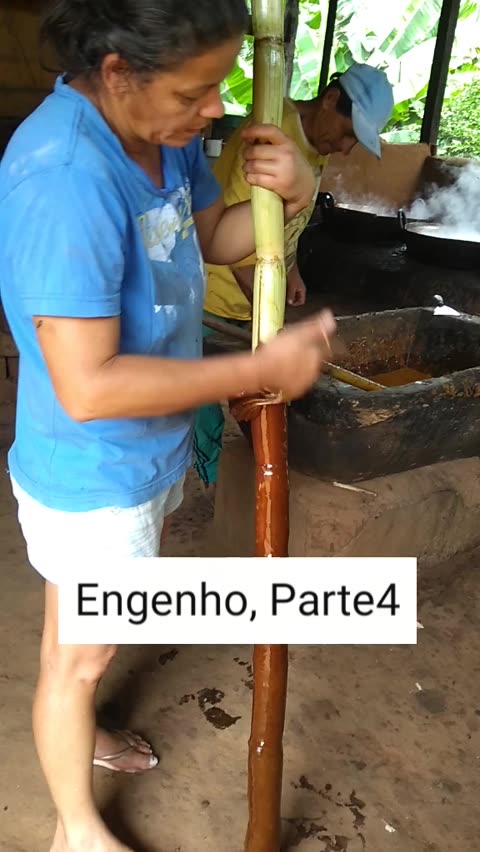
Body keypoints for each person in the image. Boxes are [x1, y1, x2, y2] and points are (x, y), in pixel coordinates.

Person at [0, 1, 337, 850]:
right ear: (118, 72)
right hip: (92, 471)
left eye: (219, 84)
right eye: (196, 91)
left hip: (141, 453)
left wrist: (293, 197)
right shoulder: (65, 177)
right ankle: (76, 830)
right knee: (76, 657)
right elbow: (88, 387)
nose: (216, 108)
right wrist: (254, 371)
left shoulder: (163, 134)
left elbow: (209, 238)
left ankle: (83, 729)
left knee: (88, 641)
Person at [193, 63, 394, 496]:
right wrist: (271, 312)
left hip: (250, 297)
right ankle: (208, 483)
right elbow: (233, 242)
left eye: (353, 142)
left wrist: (291, 270)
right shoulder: (272, 133)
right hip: (215, 294)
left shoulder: (314, 144)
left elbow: (285, 224)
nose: (344, 148)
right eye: (347, 133)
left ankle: (239, 471)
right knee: (205, 396)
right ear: (330, 100)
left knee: (247, 389)